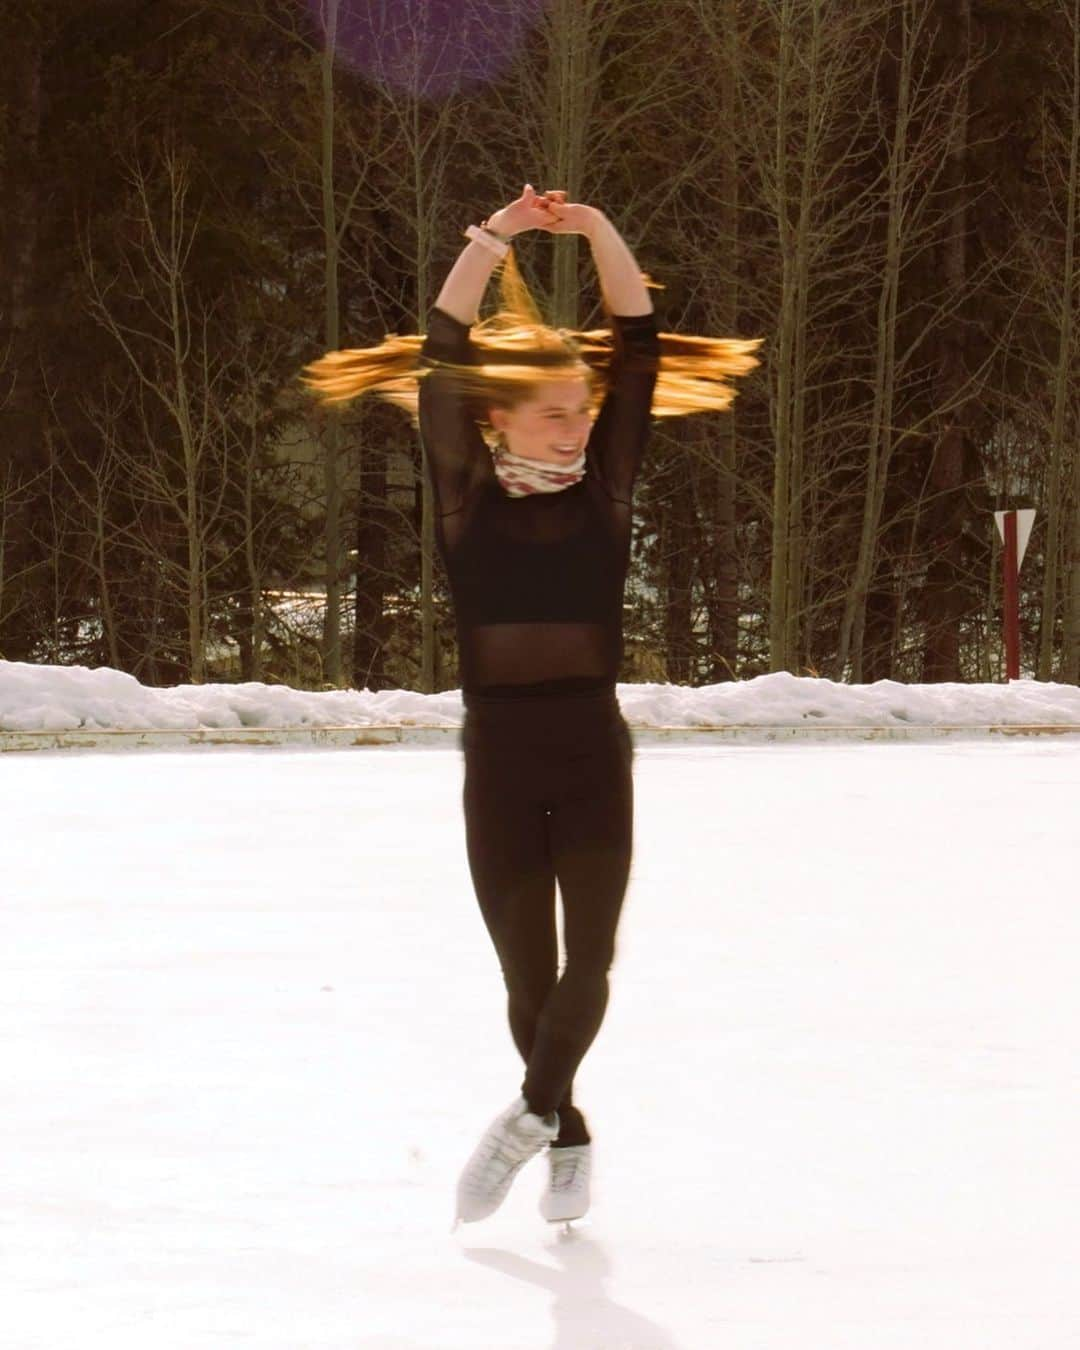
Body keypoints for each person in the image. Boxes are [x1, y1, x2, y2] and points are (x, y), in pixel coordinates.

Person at [299, 184, 761, 1230]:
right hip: (499, 763)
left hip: (593, 754)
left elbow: (635, 345)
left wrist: (599, 228)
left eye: (584, 412)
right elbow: (443, 347)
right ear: (497, 415)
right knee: (529, 980)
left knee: (588, 963)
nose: (576, 425)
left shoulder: (608, 491)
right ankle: (570, 1136)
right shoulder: (463, 499)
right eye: (554, 411)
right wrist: (497, 234)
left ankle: (528, 1119)